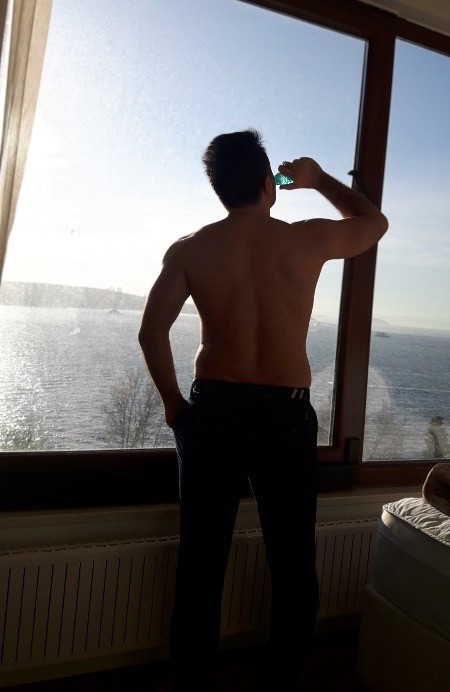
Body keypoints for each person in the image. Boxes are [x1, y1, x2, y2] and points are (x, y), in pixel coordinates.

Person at [138, 128, 388, 691]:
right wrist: (318, 179)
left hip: (213, 413)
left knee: (201, 567)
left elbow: (151, 332)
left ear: (220, 189)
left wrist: (175, 406)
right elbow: (375, 223)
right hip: (284, 416)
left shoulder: (190, 249)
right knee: (293, 566)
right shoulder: (305, 239)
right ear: (268, 184)